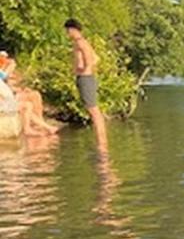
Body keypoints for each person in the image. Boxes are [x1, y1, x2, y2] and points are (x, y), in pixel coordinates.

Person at [64, 19, 107, 151]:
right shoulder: (81, 42)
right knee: (93, 110)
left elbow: (89, 59)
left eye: (67, 31)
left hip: (85, 78)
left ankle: (102, 142)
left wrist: (83, 70)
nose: (67, 34)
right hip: (86, 77)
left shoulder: (81, 43)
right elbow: (96, 58)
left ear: (72, 29)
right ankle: (101, 140)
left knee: (93, 110)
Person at [0, 51, 59, 136]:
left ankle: (43, 125)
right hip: (4, 103)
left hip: (7, 100)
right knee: (26, 105)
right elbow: (4, 77)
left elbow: (5, 84)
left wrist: (18, 89)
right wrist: (10, 67)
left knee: (34, 95)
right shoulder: (3, 72)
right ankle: (30, 129)